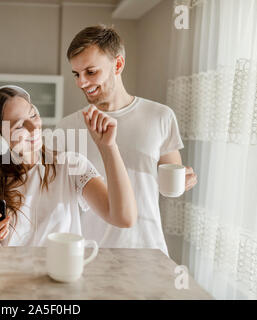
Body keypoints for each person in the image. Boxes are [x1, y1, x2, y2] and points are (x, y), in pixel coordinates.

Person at [55, 25, 198, 256]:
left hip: (149, 250)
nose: (81, 82)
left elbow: (168, 180)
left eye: (91, 72)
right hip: (89, 254)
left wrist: (183, 182)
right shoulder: (67, 128)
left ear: (118, 65)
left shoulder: (160, 116)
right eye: (76, 74)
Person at [0, 85, 137, 246]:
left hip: (59, 279)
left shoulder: (70, 166)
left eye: (33, 114)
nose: (34, 127)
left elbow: (124, 218)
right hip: (6, 281)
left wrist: (108, 147)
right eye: (19, 126)